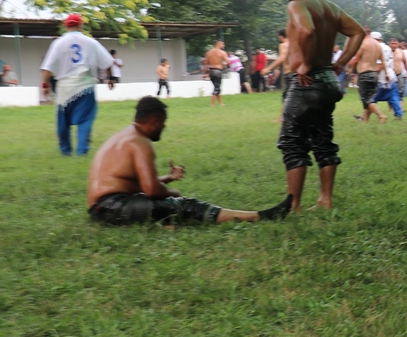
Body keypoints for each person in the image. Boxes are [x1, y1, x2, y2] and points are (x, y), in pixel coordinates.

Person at [87, 96, 292, 225]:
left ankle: (166, 223)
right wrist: (171, 192)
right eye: (163, 123)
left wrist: (168, 178)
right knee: (183, 205)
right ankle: (260, 216)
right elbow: (150, 190)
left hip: (102, 207)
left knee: (167, 205)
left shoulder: (126, 136)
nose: (164, 128)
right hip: (110, 207)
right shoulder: (141, 143)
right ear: (154, 121)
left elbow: (132, 183)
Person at [277, 0, 367, 212]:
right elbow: (358, 32)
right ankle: (325, 199)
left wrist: (305, 63)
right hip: (329, 81)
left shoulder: (296, 4)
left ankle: (293, 204)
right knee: (322, 139)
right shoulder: (329, 6)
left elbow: (307, 29)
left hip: (307, 82)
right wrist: (339, 63)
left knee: (292, 142)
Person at [40, 14, 114, 156]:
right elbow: (108, 62)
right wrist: (110, 78)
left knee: (63, 122)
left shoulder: (59, 43)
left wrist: (45, 85)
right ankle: (82, 150)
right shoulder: (91, 42)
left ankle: (65, 150)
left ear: (66, 26)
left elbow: (47, 68)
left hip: (65, 89)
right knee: (85, 120)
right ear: (81, 25)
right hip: (85, 86)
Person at [352, 27, 387, 124]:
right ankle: (365, 121)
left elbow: (356, 59)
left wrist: (350, 69)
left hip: (364, 73)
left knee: (366, 99)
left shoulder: (362, 43)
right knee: (369, 98)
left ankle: (381, 116)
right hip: (374, 73)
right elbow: (383, 61)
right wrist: (387, 73)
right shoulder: (377, 44)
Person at [201, 40, 230, 105]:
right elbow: (228, 62)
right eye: (222, 44)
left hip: (211, 71)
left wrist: (205, 73)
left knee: (216, 87)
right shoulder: (222, 53)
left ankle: (221, 103)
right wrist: (223, 65)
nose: (223, 46)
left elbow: (205, 64)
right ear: (218, 44)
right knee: (217, 88)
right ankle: (212, 104)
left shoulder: (208, 53)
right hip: (218, 71)